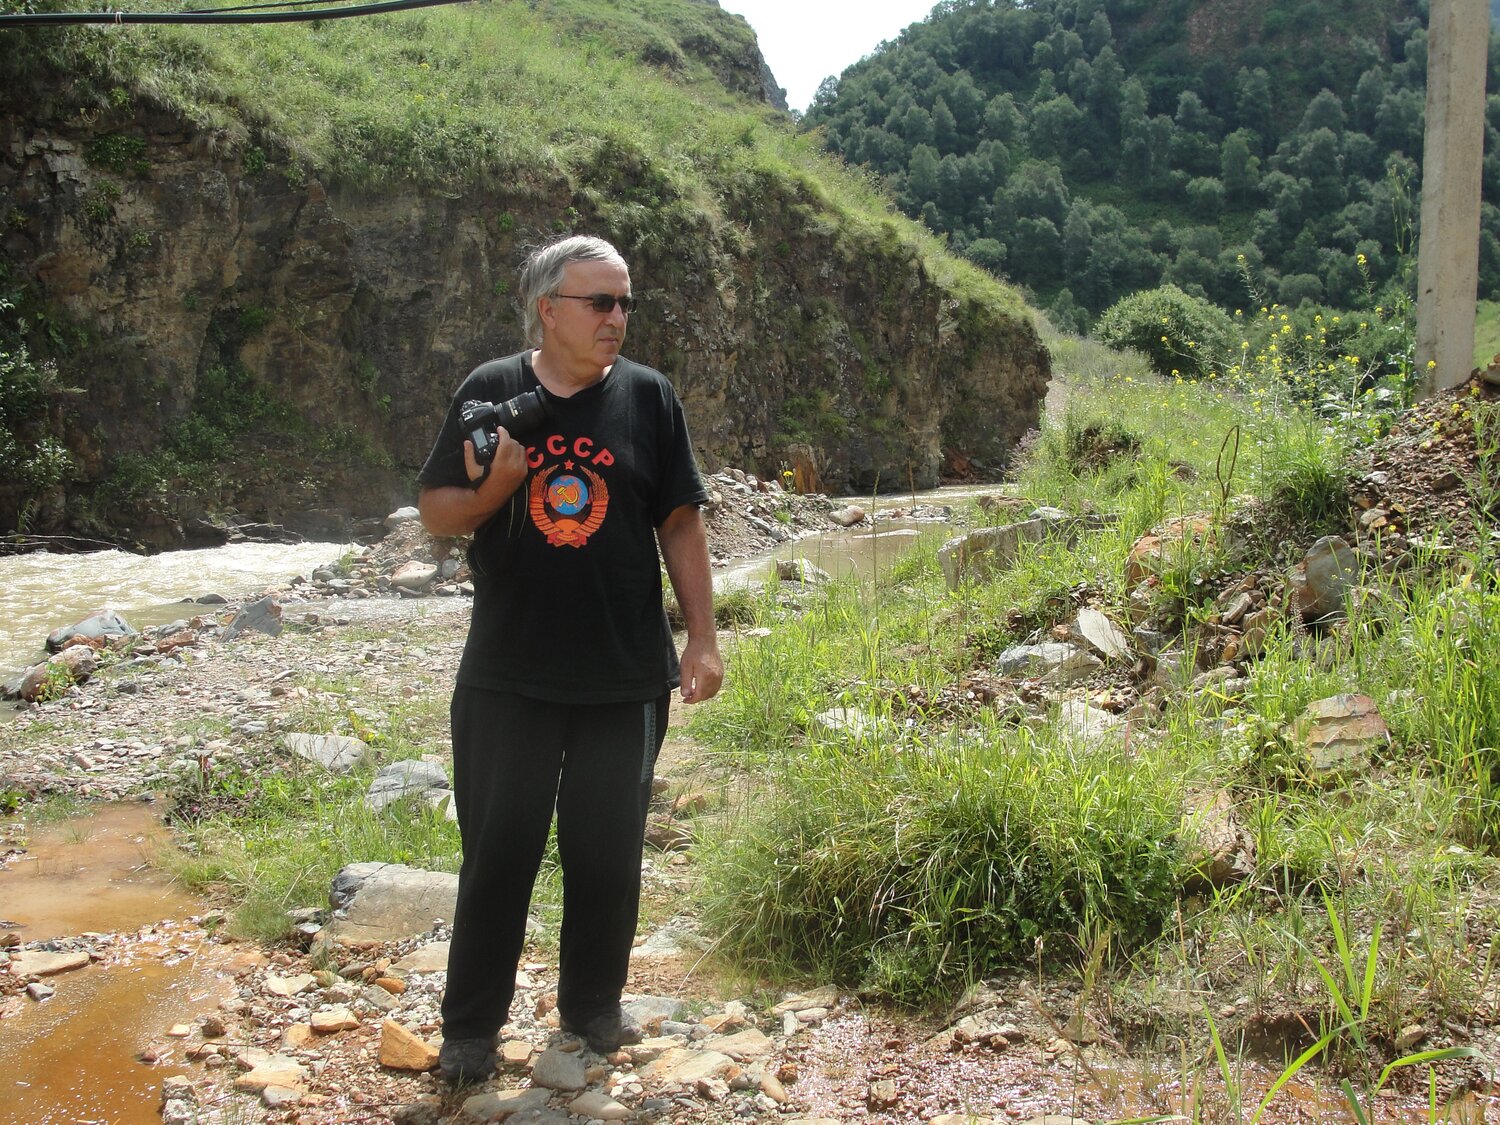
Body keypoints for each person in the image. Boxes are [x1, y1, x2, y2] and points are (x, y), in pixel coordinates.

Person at [416, 234, 724, 1084]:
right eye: (600, 302)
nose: (617, 318)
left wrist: (702, 635)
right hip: (508, 671)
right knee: (498, 853)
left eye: (625, 302)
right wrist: (496, 489)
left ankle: (593, 1008)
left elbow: (679, 522)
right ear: (548, 309)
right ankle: (471, 1031)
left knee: (608, 851)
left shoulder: (651, 398)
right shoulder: (492, 391)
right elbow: (438, 510)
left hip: (625, 671)